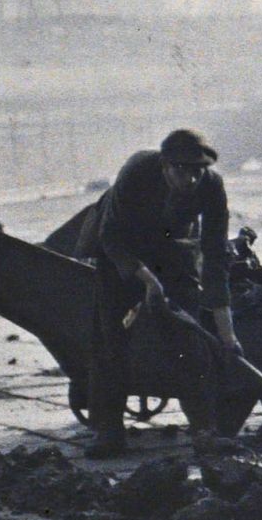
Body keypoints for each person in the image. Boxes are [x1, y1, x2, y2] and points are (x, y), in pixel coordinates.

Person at [83, 127, 241, 457]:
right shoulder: (137, 171)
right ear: (165, 166)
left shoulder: (212, 187)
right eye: (182, 170)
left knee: (190, 334)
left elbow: (214, 258)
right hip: (119, 248)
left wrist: (227, 334)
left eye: (198, 171)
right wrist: (146, 280)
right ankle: (108, 431)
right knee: (112, 336)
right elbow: (110, 234)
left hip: (171, 250)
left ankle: (204, 430)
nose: (191, 179)